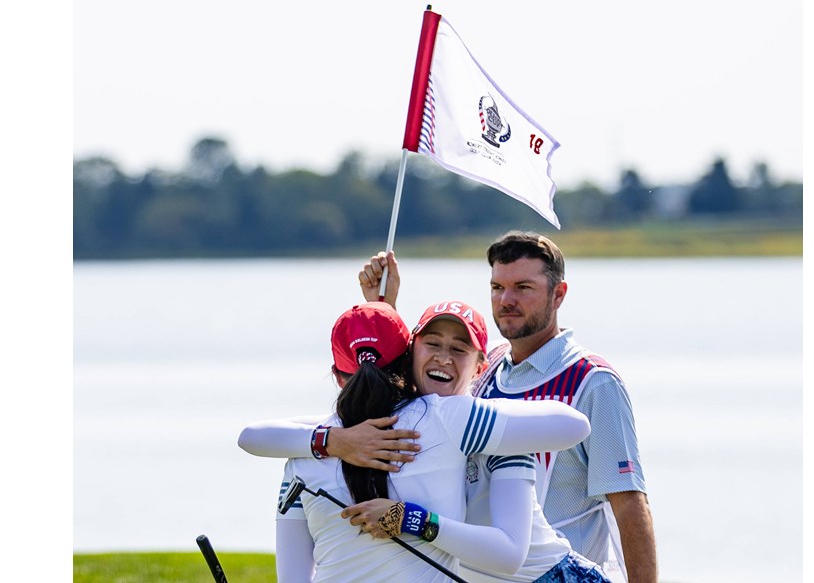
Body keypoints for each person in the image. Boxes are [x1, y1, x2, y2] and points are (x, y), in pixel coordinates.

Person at [357, 233, 658, 583]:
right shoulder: (488, 365)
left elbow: (630, 506)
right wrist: (384, 308)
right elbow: (420, 394)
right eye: (497, 287)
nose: (506, 300)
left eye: (522, 288)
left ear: (558, 294)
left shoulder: (593, 382)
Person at [238, 300, 598, 582]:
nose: (443, 357)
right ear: (408, 359)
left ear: (480, 367)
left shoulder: (300, 452)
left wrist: (407, 517)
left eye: (459, 349)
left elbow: (251, 437)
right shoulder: (447, 418)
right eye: (432, 344)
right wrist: (334, 441)